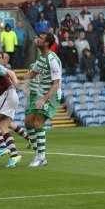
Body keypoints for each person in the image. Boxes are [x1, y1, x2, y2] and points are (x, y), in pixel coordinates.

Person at [24, 33, 62, 167]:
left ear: (46, 43)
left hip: (51, 96)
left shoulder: (52, 59)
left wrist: (45, 99)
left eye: (40, 38)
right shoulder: (41, 58)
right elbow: (32, 74)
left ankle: (41, 157)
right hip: (42, 94)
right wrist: (12, 79)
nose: (37, 39)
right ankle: (39, 154)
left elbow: (56, 83)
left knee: (37, 122)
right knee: (28, 122)